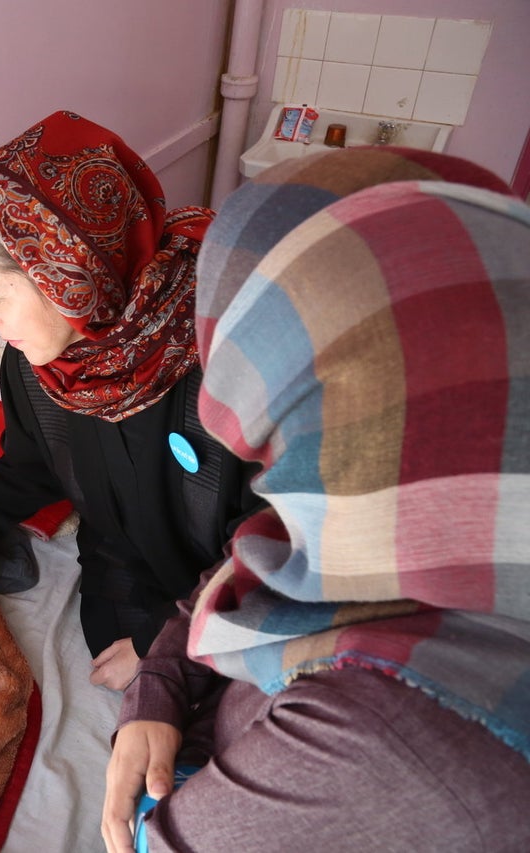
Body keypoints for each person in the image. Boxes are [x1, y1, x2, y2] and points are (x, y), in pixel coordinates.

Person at [100, 147, 530, 852]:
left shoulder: (384, 726)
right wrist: (159, 684)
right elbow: (253, 557)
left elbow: (156, 837)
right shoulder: (410, 502)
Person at [0, 110, 263, 688]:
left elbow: (276, 535)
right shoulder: (41, 369)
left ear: (70, 272)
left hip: (232, 588)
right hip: (124, 573)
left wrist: (162, 639)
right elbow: (28, 467)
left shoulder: (227, 357)